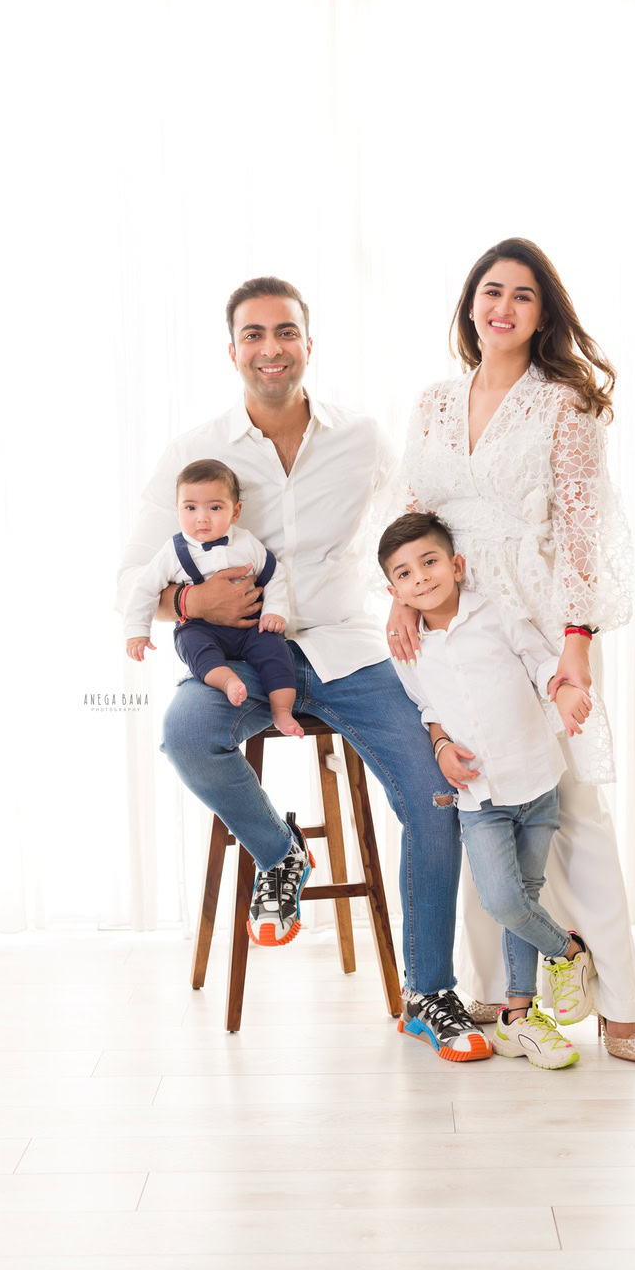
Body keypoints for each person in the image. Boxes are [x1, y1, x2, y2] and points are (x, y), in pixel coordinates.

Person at [117, 275, 492, 1058]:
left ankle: (430, 995)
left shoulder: (362, 438)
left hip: (353, 650)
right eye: (253, 335)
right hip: (247, 656)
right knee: (186, 732)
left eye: (284, 332)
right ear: (232, 352)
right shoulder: (195, 454)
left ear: (308, 345)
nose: (270, 348)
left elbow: (411, 525)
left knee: (435, 794)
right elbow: (134, 581)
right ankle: (279, 853)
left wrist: (407, 599)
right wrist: (192, 611)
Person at [388, 238, 635, 1062]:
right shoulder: (433, 401)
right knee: (475, 795)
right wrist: (401, 595)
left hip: (537, 616)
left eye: (522, 296)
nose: (501, 306)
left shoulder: (563, 405)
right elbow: (412, 507)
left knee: (575, 813)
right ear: (469, 303)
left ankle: (620, 1003)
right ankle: (503, 994)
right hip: (451, 616)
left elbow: (581, 534)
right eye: (490, 290)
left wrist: (574, 648)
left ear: (542, 315)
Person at [379, 511, 596, 1068]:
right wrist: (441, 747)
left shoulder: (495, 615)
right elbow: (427, 710)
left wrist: (564, 690)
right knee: (503, 899)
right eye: (404, 573)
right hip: (479, 799)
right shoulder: (408, 650)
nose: (421, 578)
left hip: (536, 779)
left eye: (429, 562)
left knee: (523, 895)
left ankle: (520, 1018)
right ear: (393, 590)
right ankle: (567, 950)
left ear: (456, 565)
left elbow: (541, 658)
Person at [124, 459, 302, 740]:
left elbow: (275, 575)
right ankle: (226, 680)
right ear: (177, 508)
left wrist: (275, 611)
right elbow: (144, 589)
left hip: (250, 628)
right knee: (191, 644)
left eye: (215, 508)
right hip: (200, 627)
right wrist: (137, 631)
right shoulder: (173, 551)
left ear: (235, 512)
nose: (202, 518)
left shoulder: (247, 543)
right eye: (190, 508)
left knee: (276, 651)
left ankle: (281, 710)